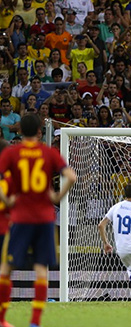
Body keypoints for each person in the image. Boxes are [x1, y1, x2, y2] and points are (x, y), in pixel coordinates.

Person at [0, 114, 77, 327]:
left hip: (20, 217)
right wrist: (56, 197)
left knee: (6, 268)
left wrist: (7, 199)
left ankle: (1, 319)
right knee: (41, 268)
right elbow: (71, 176)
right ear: (40, 132)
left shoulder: (12, 153)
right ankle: (35, 323)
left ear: (20, 131)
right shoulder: (48, 152)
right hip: (45, 217)